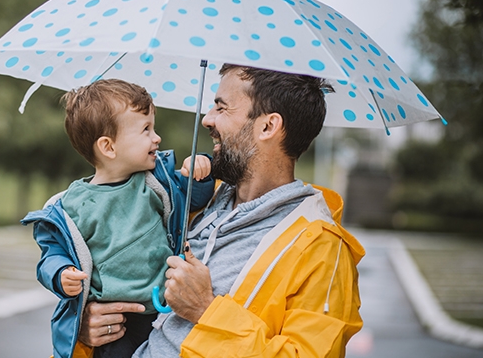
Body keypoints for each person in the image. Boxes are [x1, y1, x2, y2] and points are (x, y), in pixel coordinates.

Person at [73, 64, 366, 358]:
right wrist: (86, 332)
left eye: (221, 108)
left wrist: (206, 310)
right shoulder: (186, 201)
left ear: (268, 126)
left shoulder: (323, 251)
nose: (207, 119)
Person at [21, 79, 216, 358]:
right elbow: (52, 253)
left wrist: (200, 174)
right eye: (145, 129)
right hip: (116, 322)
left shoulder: (155, 182)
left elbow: (192, 202)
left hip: (166, 310)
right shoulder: (71, 206)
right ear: (108, 147)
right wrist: (60, 273)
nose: (157, 138)